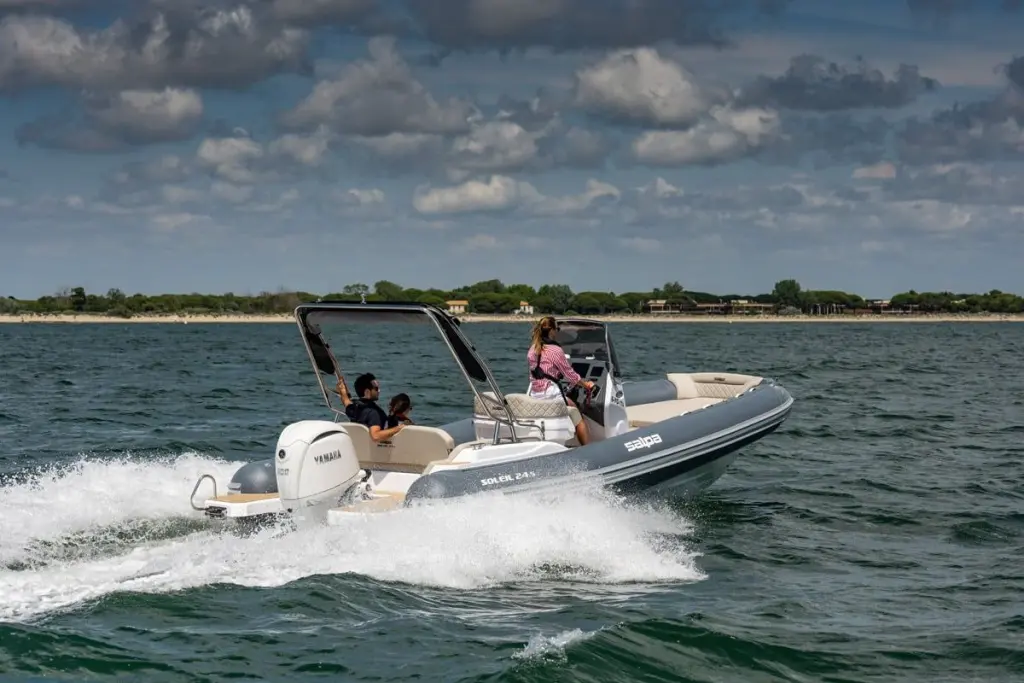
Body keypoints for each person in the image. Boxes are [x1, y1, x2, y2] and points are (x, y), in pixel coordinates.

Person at [526, 315, 595, 445]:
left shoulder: (532, 349)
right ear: (552, 330)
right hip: (550, 394)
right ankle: (587, 448)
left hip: (535, 394)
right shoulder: (555, 350)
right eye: (557, 329)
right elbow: (570, 375)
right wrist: (586, 385)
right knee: (577, 415)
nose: (557, 332)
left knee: (570, 403)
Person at [336, 372, 405, 443]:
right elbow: (375, 436)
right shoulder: (374, 413)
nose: (379, 390)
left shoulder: (354, 407)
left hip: (358, 445)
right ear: (367, 392)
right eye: (376, 388)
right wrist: (399, 428)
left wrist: (343, 391)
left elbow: (346, 401)